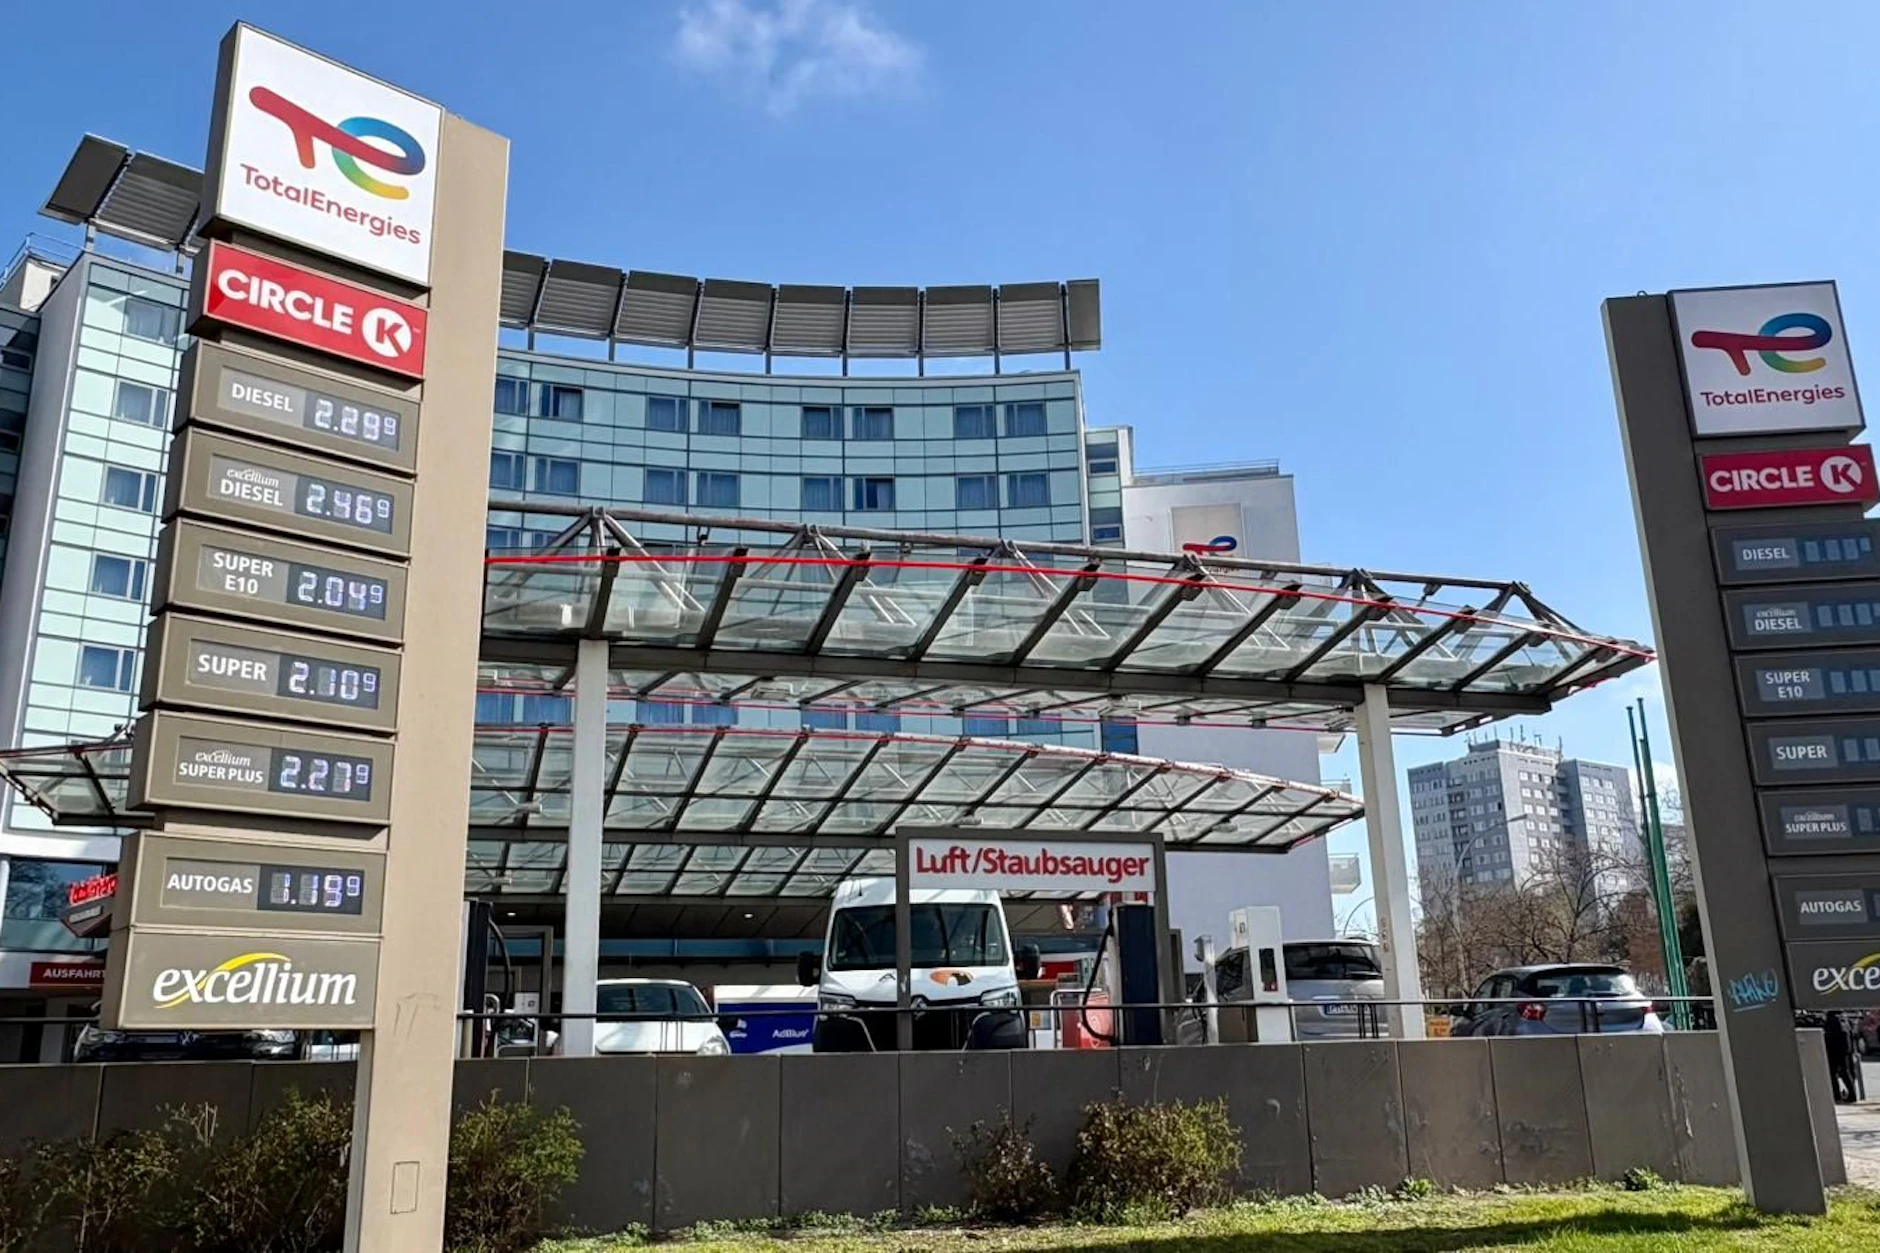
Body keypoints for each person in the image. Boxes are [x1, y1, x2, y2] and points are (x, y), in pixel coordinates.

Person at [1824, 1011, 1856, 1104]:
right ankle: (1852, 1095)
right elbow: (1851, 1034)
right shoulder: (1844, 1018)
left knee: (1832, 1073)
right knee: (1845, 1072)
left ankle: (1836, 1095)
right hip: (1845, 1050)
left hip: (1834, 1050)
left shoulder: (1832, 1019)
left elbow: (1829, 1036)